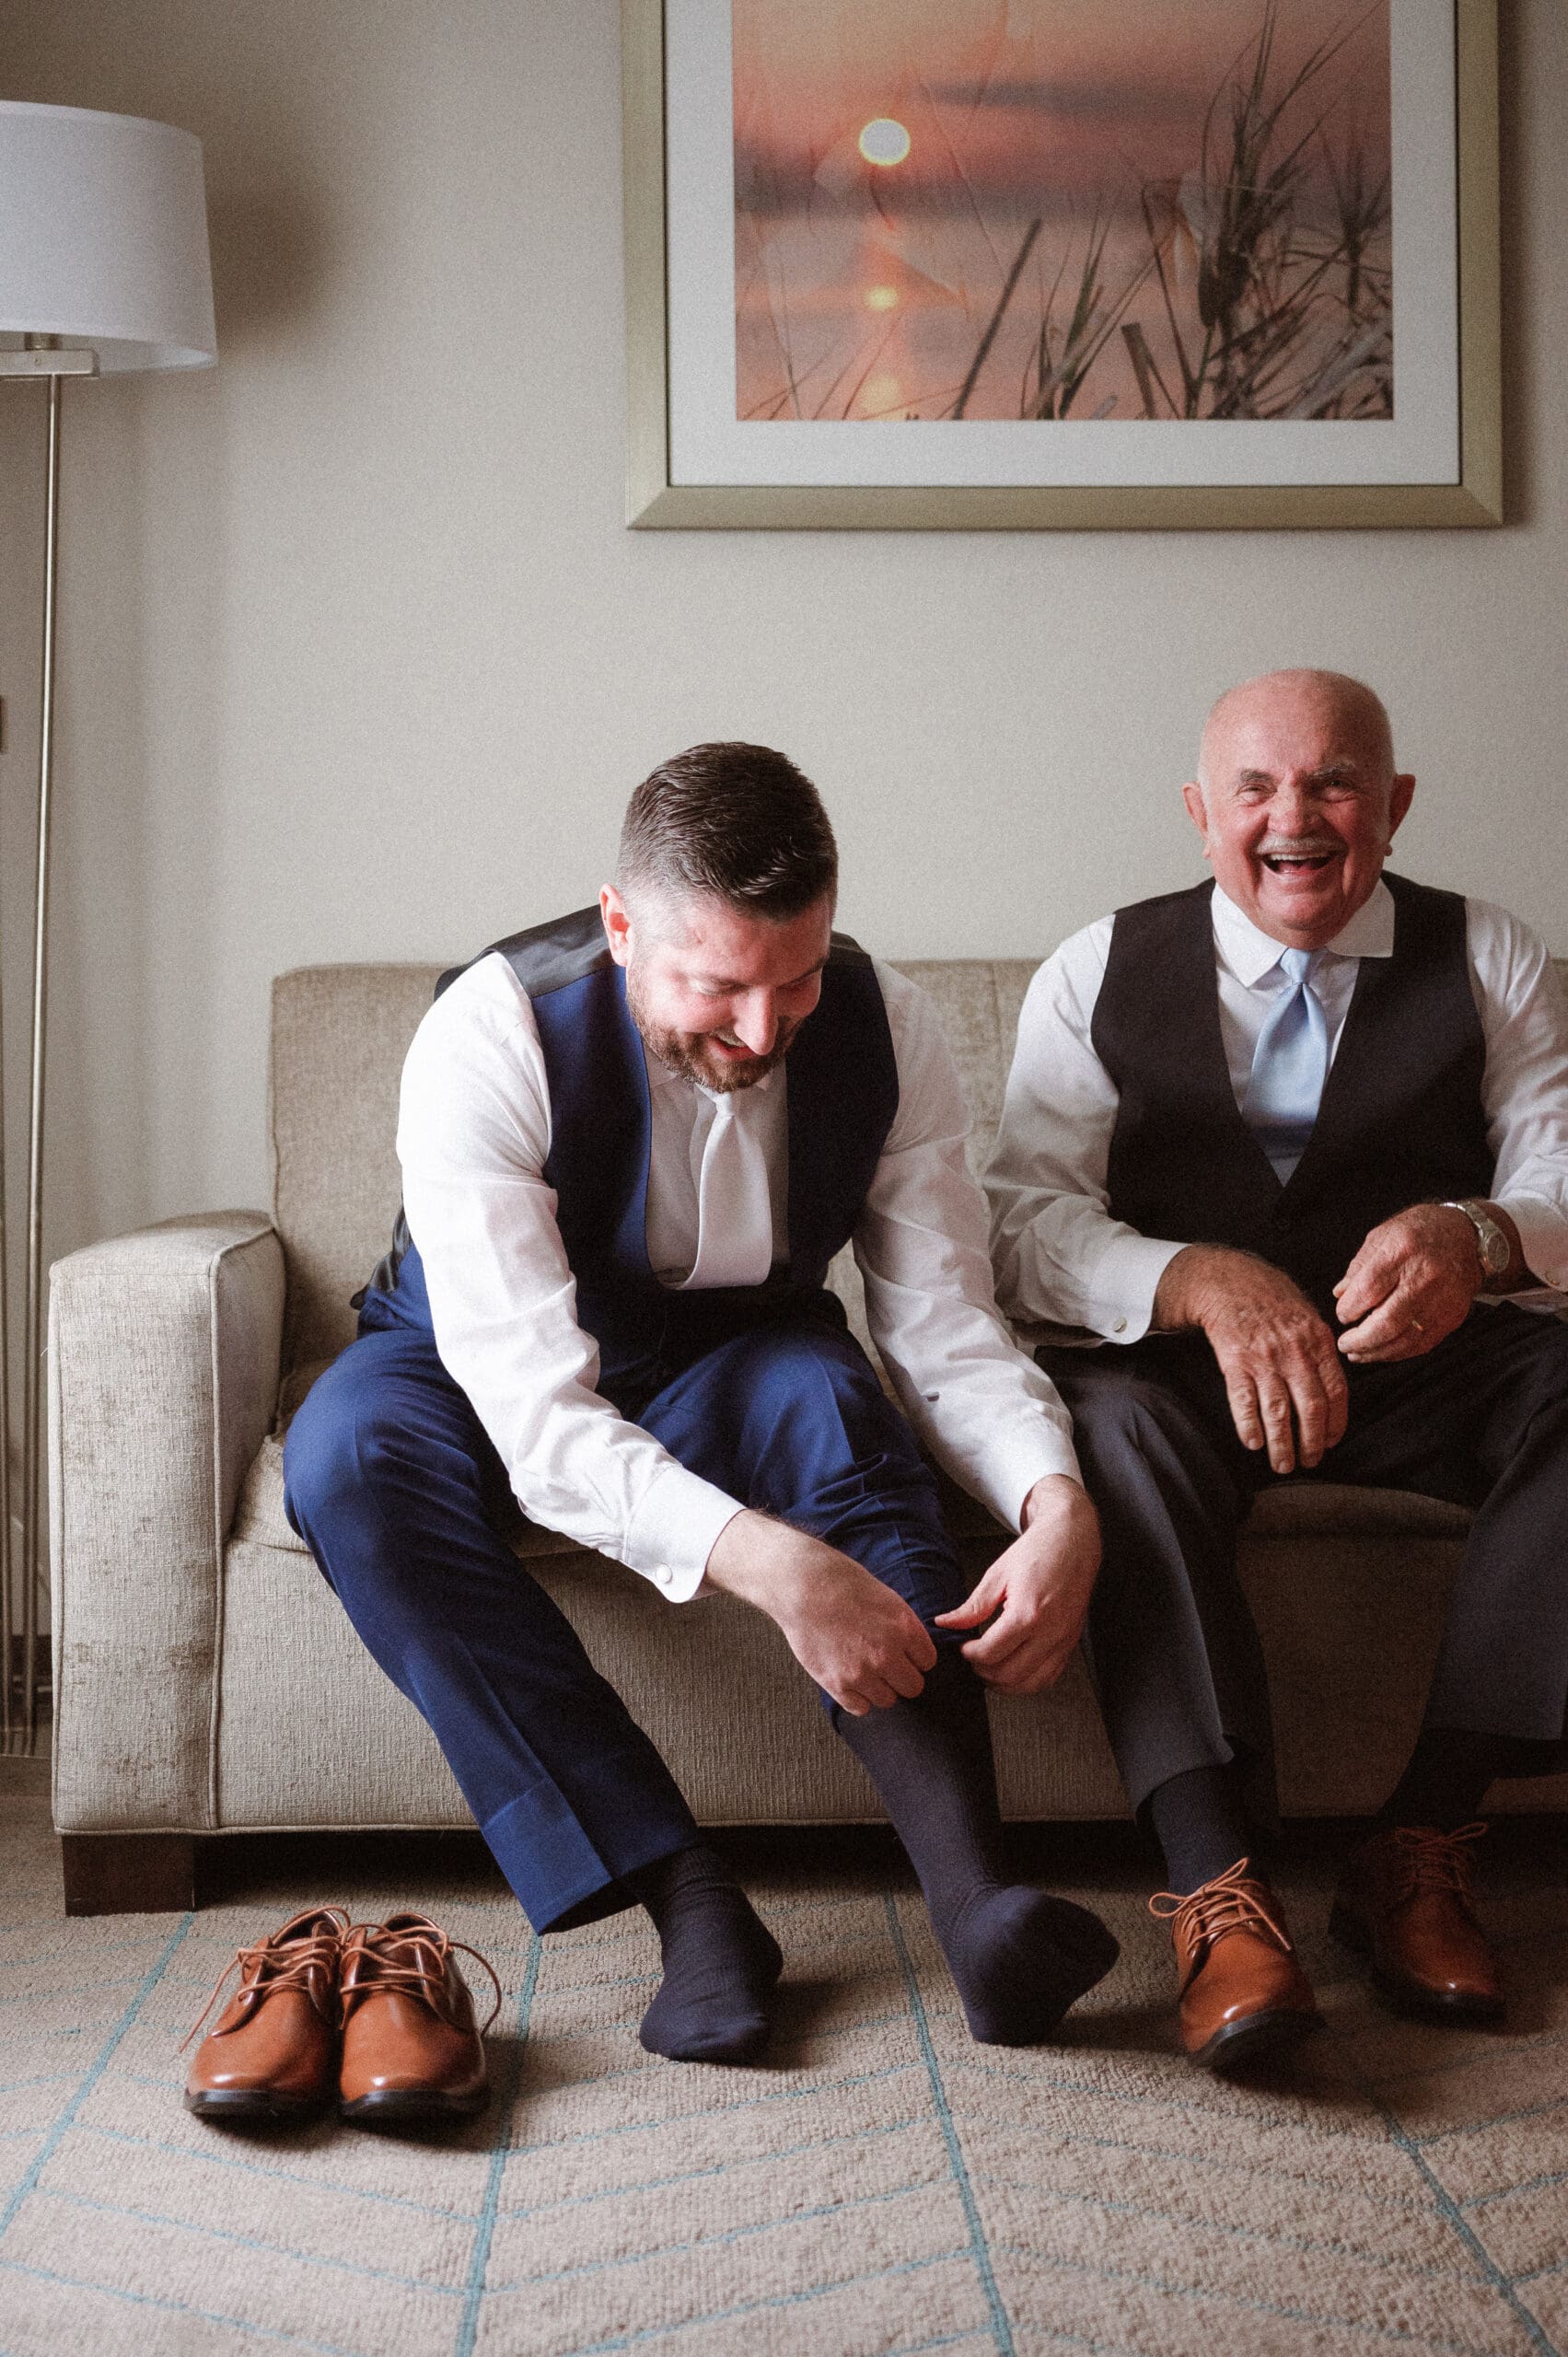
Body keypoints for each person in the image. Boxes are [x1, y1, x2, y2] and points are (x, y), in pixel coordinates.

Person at [285, 741, 1118, 2073]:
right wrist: (771, 1565)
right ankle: (692, 1903)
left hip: (737, 1342)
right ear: (621, 926)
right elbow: (538, 1413)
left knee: (832, 1407)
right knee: (345, 1462)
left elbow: (943, 1323)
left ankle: (978, 1908)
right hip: (465, 1356)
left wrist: (1052, 1498)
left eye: (797, 980)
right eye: (718, 987)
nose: (763, 1031)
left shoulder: (888, 1024)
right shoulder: (491, 1033)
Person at [987, 668, 1568, 2074]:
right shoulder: (1093, 969)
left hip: (1419, 1364)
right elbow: (1022, 1229)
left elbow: (1560, 1178)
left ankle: (1419, 1839)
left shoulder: (1491, 955)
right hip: (1180, 1382)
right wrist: (1192, 1277)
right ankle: (1219, 1887)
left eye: (1334, 782)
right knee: (1101, 1433)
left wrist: (1477, 1236)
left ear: (1395, 803)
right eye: (1255, 787)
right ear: (1201, 813)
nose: (1294, 818)